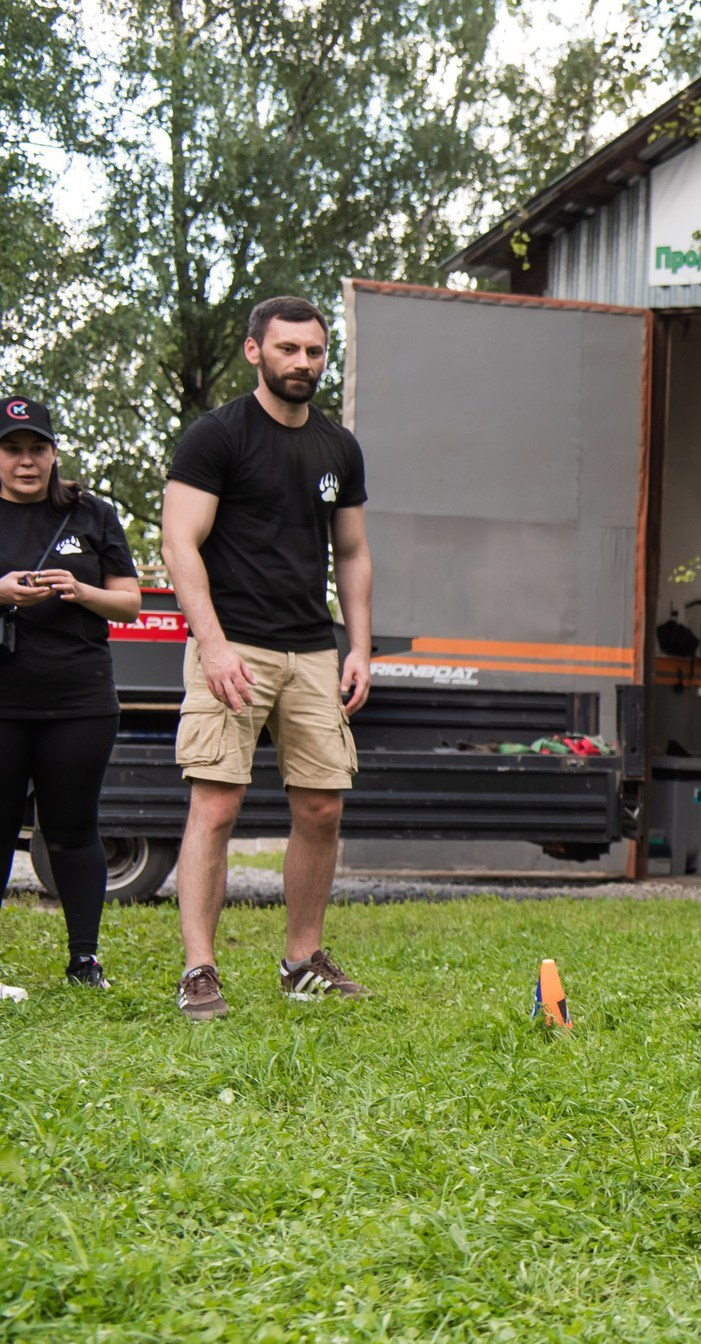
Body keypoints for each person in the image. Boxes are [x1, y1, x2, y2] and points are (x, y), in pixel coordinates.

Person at [161, 295, 375, 1020]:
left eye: (314, 352)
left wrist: (360, 645)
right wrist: (212, 644)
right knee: (216, 805)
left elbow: (351, 551)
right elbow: (178, 543)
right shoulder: (216, 437)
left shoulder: (338, 447)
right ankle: (199, 969)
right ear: (256, 351)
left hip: (312, 648)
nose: (302, 363)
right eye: (288, 349)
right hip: (235, 643)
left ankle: (301, 962)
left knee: (321, 804)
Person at [0, 396, 142, 997]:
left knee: (74, 829)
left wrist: (80, 590)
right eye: (12, 449)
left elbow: (130, 602)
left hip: (79, 699)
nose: (25, 461)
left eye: (37, 448)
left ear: (55, 453)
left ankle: (84, 962)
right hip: (2, 701)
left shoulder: (92, 514)